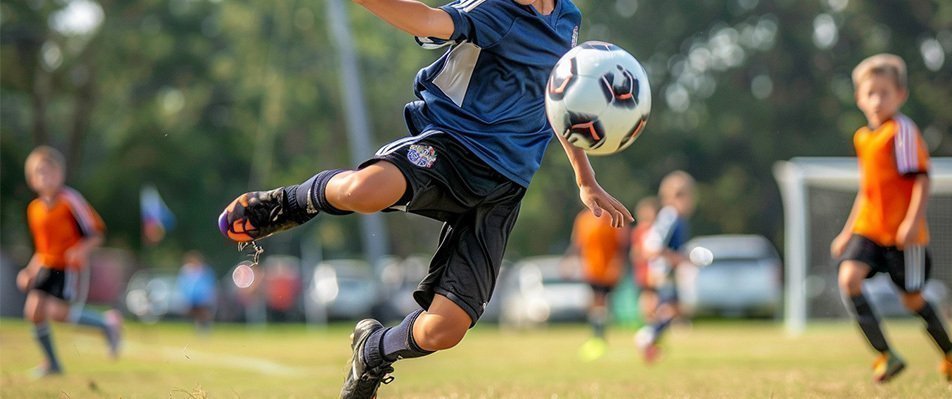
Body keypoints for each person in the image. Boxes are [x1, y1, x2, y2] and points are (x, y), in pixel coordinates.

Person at [216, 0, 632, 397]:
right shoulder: (494, 10)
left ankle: (374, 351)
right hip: (451, 148)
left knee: (443, 330)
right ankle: (287, 204)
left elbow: (561, 104)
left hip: (504, 189)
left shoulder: (568, 20)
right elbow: (429, 21)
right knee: (365, 190)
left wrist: (586, 179)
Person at [831, 53, 952, 384]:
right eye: (870, 93)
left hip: (904, 238)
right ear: (859, 98)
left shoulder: (901, 132)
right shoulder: (863, 138)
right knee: (849, 279)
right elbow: (867, 191)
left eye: (884, 92)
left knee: (912, 299)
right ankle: (886, 355)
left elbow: (921, 179)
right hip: (870, 230)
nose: (877, 100)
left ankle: (950, 350)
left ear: (900, 95)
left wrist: (912, 222)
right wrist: (848, 233)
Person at [17, 146, 122, 376]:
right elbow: (42, 248)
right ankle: (52, 364)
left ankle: (107, 324)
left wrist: (80, 250)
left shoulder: (70, 201)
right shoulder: (34, 209)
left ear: (60, 174)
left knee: (59, 314)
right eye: (40, 173)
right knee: (33, 311)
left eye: (50, 172)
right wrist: (29, 271)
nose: (46, 177)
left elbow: (96, 233)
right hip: (46, 265)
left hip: (67, 268)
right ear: (32, 179)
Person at [634, 170, 696, 364]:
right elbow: (653, 246)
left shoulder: (675, 217)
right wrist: (677, 258)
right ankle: (647, 335)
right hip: (664, 272)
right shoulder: (670, 216)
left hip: (667, 271)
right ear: (678, 197)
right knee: (670, 309)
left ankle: (651, 343)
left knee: (672, 310)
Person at [564, 208, 629, 361]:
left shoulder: (613, 216)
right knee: (595, 304)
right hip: (591, 269)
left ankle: (600, 338)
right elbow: (578, 243)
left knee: (602, 303)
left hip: (608, 270)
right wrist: (569, 260)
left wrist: (618, 265)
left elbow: (622, 245)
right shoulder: (583, 218)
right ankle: (597, 338)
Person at [630, 197, 660, 325]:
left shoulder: (657, 230)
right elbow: (635, 253)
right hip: (645, 271)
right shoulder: (639, 231)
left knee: (656, 298)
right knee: (648, 298)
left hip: (657, 270)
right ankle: (649, 323)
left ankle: (655, 323)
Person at [177, 250, 217, 333]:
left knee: (203, 314)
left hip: (202, 297)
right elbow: (183, 283)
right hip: (191, 297)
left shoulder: (205, 270)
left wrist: (209, 296)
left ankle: (205, 330)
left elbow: (209, 283)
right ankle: (198, 329)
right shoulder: (186, 270)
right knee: (195, 314)